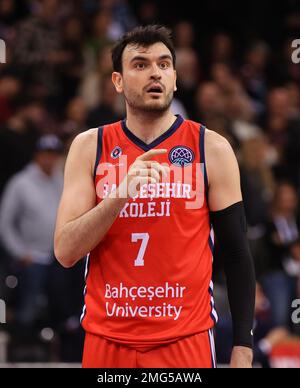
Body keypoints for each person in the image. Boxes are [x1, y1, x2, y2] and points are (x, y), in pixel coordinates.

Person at [54, 25, 255, 368]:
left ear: (175, 78)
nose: (155, 73)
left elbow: (236, 253)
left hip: (184, 338)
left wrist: (242, 346)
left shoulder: (212, 148)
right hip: (108, 336)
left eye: (164, 65)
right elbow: (66, 251)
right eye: (141, 64)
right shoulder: (90, 147)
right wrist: (120, 194)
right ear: (117, 81)